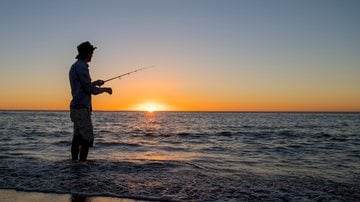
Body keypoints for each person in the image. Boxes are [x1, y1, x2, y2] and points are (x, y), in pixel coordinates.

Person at [69, 41, 112, 161]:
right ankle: (82, 166)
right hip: (82, 109)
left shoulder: (74, 66)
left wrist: (95, 83)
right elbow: (88, 89)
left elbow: (82, 86)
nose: (92, 55)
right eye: (91, 52)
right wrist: (104, 89)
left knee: (77, 138)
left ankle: (74, 165)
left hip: (75, 108)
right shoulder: (82, 66)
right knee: (86, 139)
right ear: (87, 53)